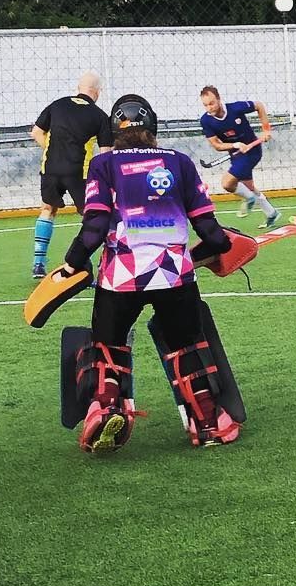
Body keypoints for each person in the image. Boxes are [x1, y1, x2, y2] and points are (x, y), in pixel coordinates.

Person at [59, 93, 242, 452]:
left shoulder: (104, 164)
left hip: (120, 277)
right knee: (185, 346)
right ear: (153, 126)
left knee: (108, 346)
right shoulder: (180, 163)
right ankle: (206, 423)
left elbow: (95, 224)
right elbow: (206, 225)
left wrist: (73, 260)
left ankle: (107, 407)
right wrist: (223, 245)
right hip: (174, 275)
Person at [29, 72, 113, 279]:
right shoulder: (100, 116)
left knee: (48, 209)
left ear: (79, 87)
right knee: (90, 215)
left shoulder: (57, 105)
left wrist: (53, 150)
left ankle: (38, 263)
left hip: (50, 168)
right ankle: (95, 261)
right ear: (97, 92)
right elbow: (106, 154)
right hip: (79, 172)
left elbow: (36, 133)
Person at [199, 85, 281, 226]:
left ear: (219, 100)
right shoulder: (206, 120)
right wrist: (235, 145)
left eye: (212, 103)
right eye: (205, 105)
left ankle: (249, 199)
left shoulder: (235, 109)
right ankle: (272, 213)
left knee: (227, 183)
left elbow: (259, 106)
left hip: (252, 150)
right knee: (249, 187)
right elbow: (217, 145)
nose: (209, 108)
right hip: (237, 154)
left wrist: (266, 130)